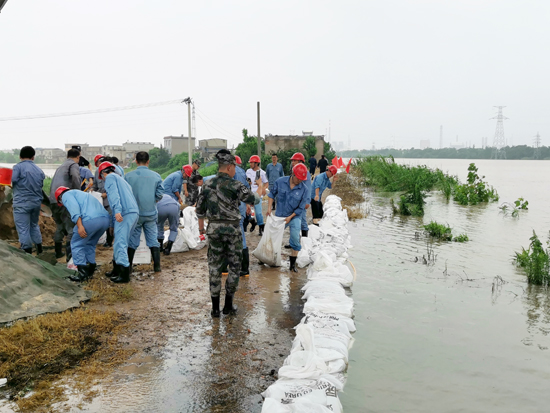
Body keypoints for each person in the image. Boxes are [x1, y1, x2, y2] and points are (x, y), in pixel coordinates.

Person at [196, 149, 255, 317]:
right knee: (235, 267)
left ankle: (215, 309)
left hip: (214, 230)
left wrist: (202, 229)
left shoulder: (207, 185)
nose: (235, 170)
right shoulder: (235, 185)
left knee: (214, 267)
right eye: (234, 167)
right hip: (232, 230)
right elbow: (252, 199)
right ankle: (228, 306)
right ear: (229, 167)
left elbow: (199, 209)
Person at [55, 187, 110, 282]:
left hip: (90, 220)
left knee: (76, 244)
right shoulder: (82, 194)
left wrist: (80, 226)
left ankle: (82, 273)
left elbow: (74, 210)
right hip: (104, 220)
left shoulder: (66, 195)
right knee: (90, 244)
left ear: (60, 198)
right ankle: (91, 269)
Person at [99, 162, 139, 283]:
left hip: (124, 212)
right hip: (133, 212)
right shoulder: (122, 180)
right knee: (122, 242)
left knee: (120, 243)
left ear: (103, 173)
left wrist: (117, 211)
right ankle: (116, 270)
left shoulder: (110, 178)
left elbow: (113, 195)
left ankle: (124, 274)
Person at [125, 151, 164, 272]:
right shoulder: (156, 176)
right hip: (150, 212)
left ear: (136, 161)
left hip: (135, 214)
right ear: (148, 161)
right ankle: (157, 266)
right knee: (153, 239)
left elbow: (125, 194)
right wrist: (154, 200)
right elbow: (160, 194)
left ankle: (129, 266)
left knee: (133, 240)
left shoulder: (128, 176)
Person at [267, 163, 310, 272]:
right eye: (298, 178)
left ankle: (292, 265)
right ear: (293, 174)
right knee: (272, 238)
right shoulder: (280, 182)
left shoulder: (304, 189)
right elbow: (271, 194)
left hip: (294, 216)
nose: (300, 181)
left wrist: (291, 217)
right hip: (280, 216)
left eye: (302, 179)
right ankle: (265, 258)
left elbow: (300, 208)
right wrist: (268, 208)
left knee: (295, 239)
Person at [11, 146, 45, 254]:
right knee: (34, 225)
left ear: (20, 156)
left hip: (22, 203)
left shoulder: (18, 167)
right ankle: (39, 250)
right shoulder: (39, 170)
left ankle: (27, 252)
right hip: (36, 203)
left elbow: (12, 180)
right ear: (33, 157)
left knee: (23, 228)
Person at [49, 148, 82, 259]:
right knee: (70, 228)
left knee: (59, 226)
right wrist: (78, 194)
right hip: (64, 200)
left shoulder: (61, 166)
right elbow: (76, 178)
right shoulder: (73, 165)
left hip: (54, 200)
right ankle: (70, 255)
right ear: (78, 156)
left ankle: (58, 252)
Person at [289, 152, 312, 239]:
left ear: (301, 162)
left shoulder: (305, 172)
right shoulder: (294, 172)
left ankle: (304, 240)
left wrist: (307, 201)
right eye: (292, 161)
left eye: (294, 160)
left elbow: (308, 188)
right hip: (294, 200)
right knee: (293, 221)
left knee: (302, 220)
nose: (292, 162)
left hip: (302, 200)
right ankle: (294, 240)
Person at [246, 155, 268, 235]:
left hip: (258, 195)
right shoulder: (248, 171)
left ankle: (261, 227)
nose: (250, 164)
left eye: (252, 162)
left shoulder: (262, 173)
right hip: (249, 194)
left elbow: (266, 183)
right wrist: (248, 182)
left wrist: (264, 188)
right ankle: (253, 222)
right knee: (247, 212)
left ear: (256, 163)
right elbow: (246, 180)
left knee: (258, 213)